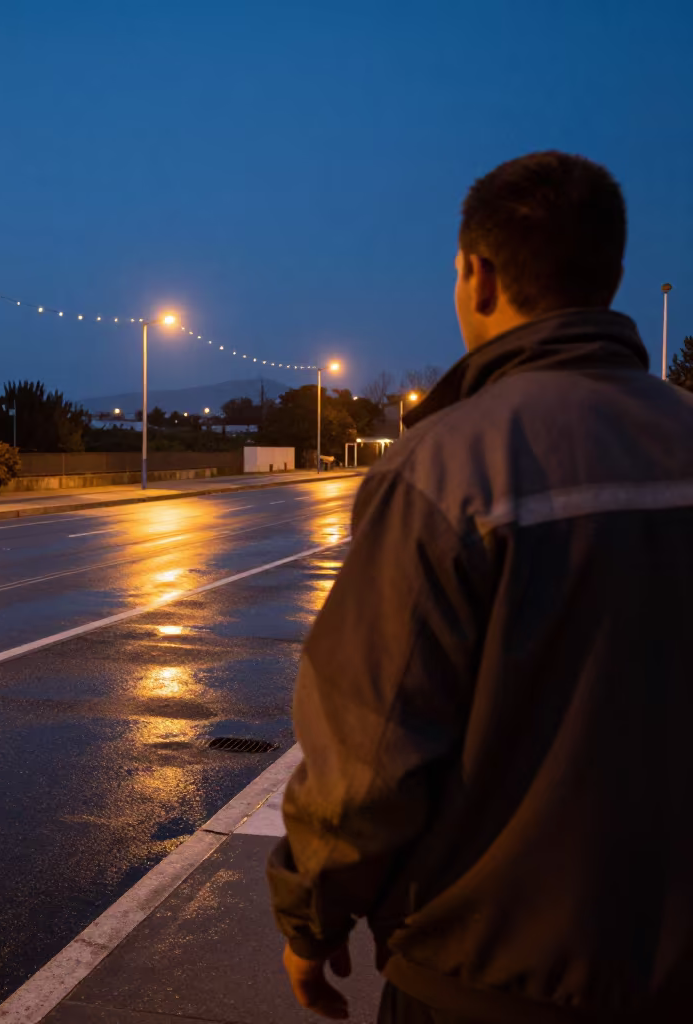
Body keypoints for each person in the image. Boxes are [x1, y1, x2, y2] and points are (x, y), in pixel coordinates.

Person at [267, 151, 693, 1023]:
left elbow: (369, 747)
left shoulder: (450, 466)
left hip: (485, 974)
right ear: (610, 277)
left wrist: (311, 921)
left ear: (477, 274)